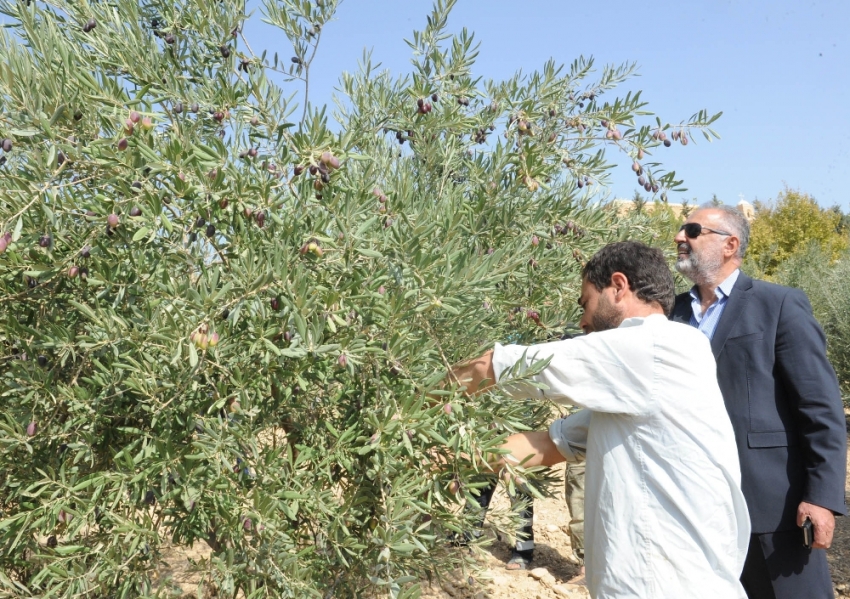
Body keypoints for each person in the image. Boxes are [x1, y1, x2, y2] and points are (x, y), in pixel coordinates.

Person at [449, 241, 750, 599]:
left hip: (666, 586)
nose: (582, 320)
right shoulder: (644, 380)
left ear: (619, 287)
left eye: (586, 302)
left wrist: (417, 401)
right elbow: (545, 446)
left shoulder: (651, 347)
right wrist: (443, 458)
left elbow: (496, 366)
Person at [670, 205, 847, 599]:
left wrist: (821, 496)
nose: (680, 237)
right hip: (692, 510)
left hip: (773, 509)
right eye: (681, 230)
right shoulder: (670, 315)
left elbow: (820, 409)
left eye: (693, 230)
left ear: (730, 244)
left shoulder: (778, 304)